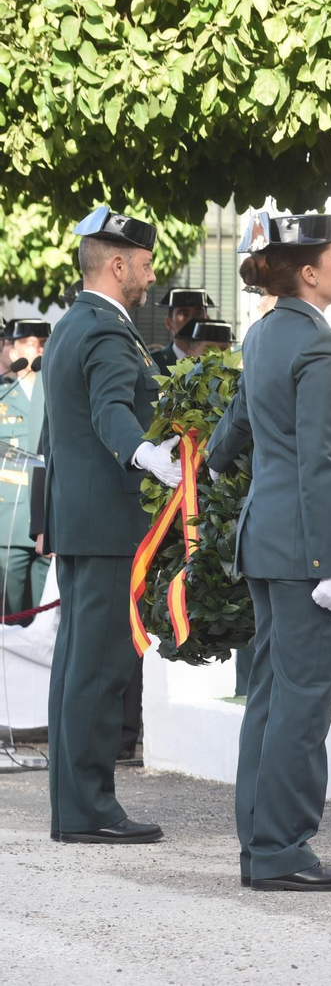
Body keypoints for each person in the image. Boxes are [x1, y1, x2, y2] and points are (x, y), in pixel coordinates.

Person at [206, 210, 331, 891]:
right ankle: (282, 850)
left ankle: (258, 842)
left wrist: (213, 462)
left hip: (265, 539)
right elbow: (318, 462)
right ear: (307, 272)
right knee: (301, 704)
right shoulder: (318, 346)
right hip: (305, 548)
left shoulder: (266, 333)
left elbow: (239, 418)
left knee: (270, 698)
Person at [44, 205, 184, 844]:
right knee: (100, 669)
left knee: (76, 667)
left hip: (80, 523)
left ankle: (75, 805)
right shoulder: (105, 331)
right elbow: (110, 412)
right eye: (147, 264)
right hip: (106, 529)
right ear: (119, 264)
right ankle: (91, 810)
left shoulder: (72, 324)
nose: (150, 277)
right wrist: (149, 455)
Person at [0, 319, 50, 615]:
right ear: (13, 348)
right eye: (31, 343)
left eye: (43, 343)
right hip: (12, 521)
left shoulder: (56, 393)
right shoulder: (4, 396)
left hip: (48, 516)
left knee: (44, 619)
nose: (38, 349)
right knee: (11, 617)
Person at [150, 288, 217, 373]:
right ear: (169, 323)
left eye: (198, 314)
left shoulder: (216, 364)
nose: (192, 320)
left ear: (207, 319)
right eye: (184, 314)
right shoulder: (154, 364)